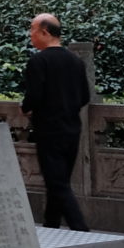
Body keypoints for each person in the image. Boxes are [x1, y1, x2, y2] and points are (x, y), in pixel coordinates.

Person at [21, 12, 91, 231]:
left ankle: (82, 232)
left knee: (57, 183)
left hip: (49, 130)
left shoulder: (38, 61)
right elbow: (84, 97)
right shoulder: (76, 61)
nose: (30, 34)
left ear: (44, 32)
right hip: (72, 129)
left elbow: (33, 97)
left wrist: (26, 109)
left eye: (32, 29)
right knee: (58, 182)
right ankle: (51, 226)